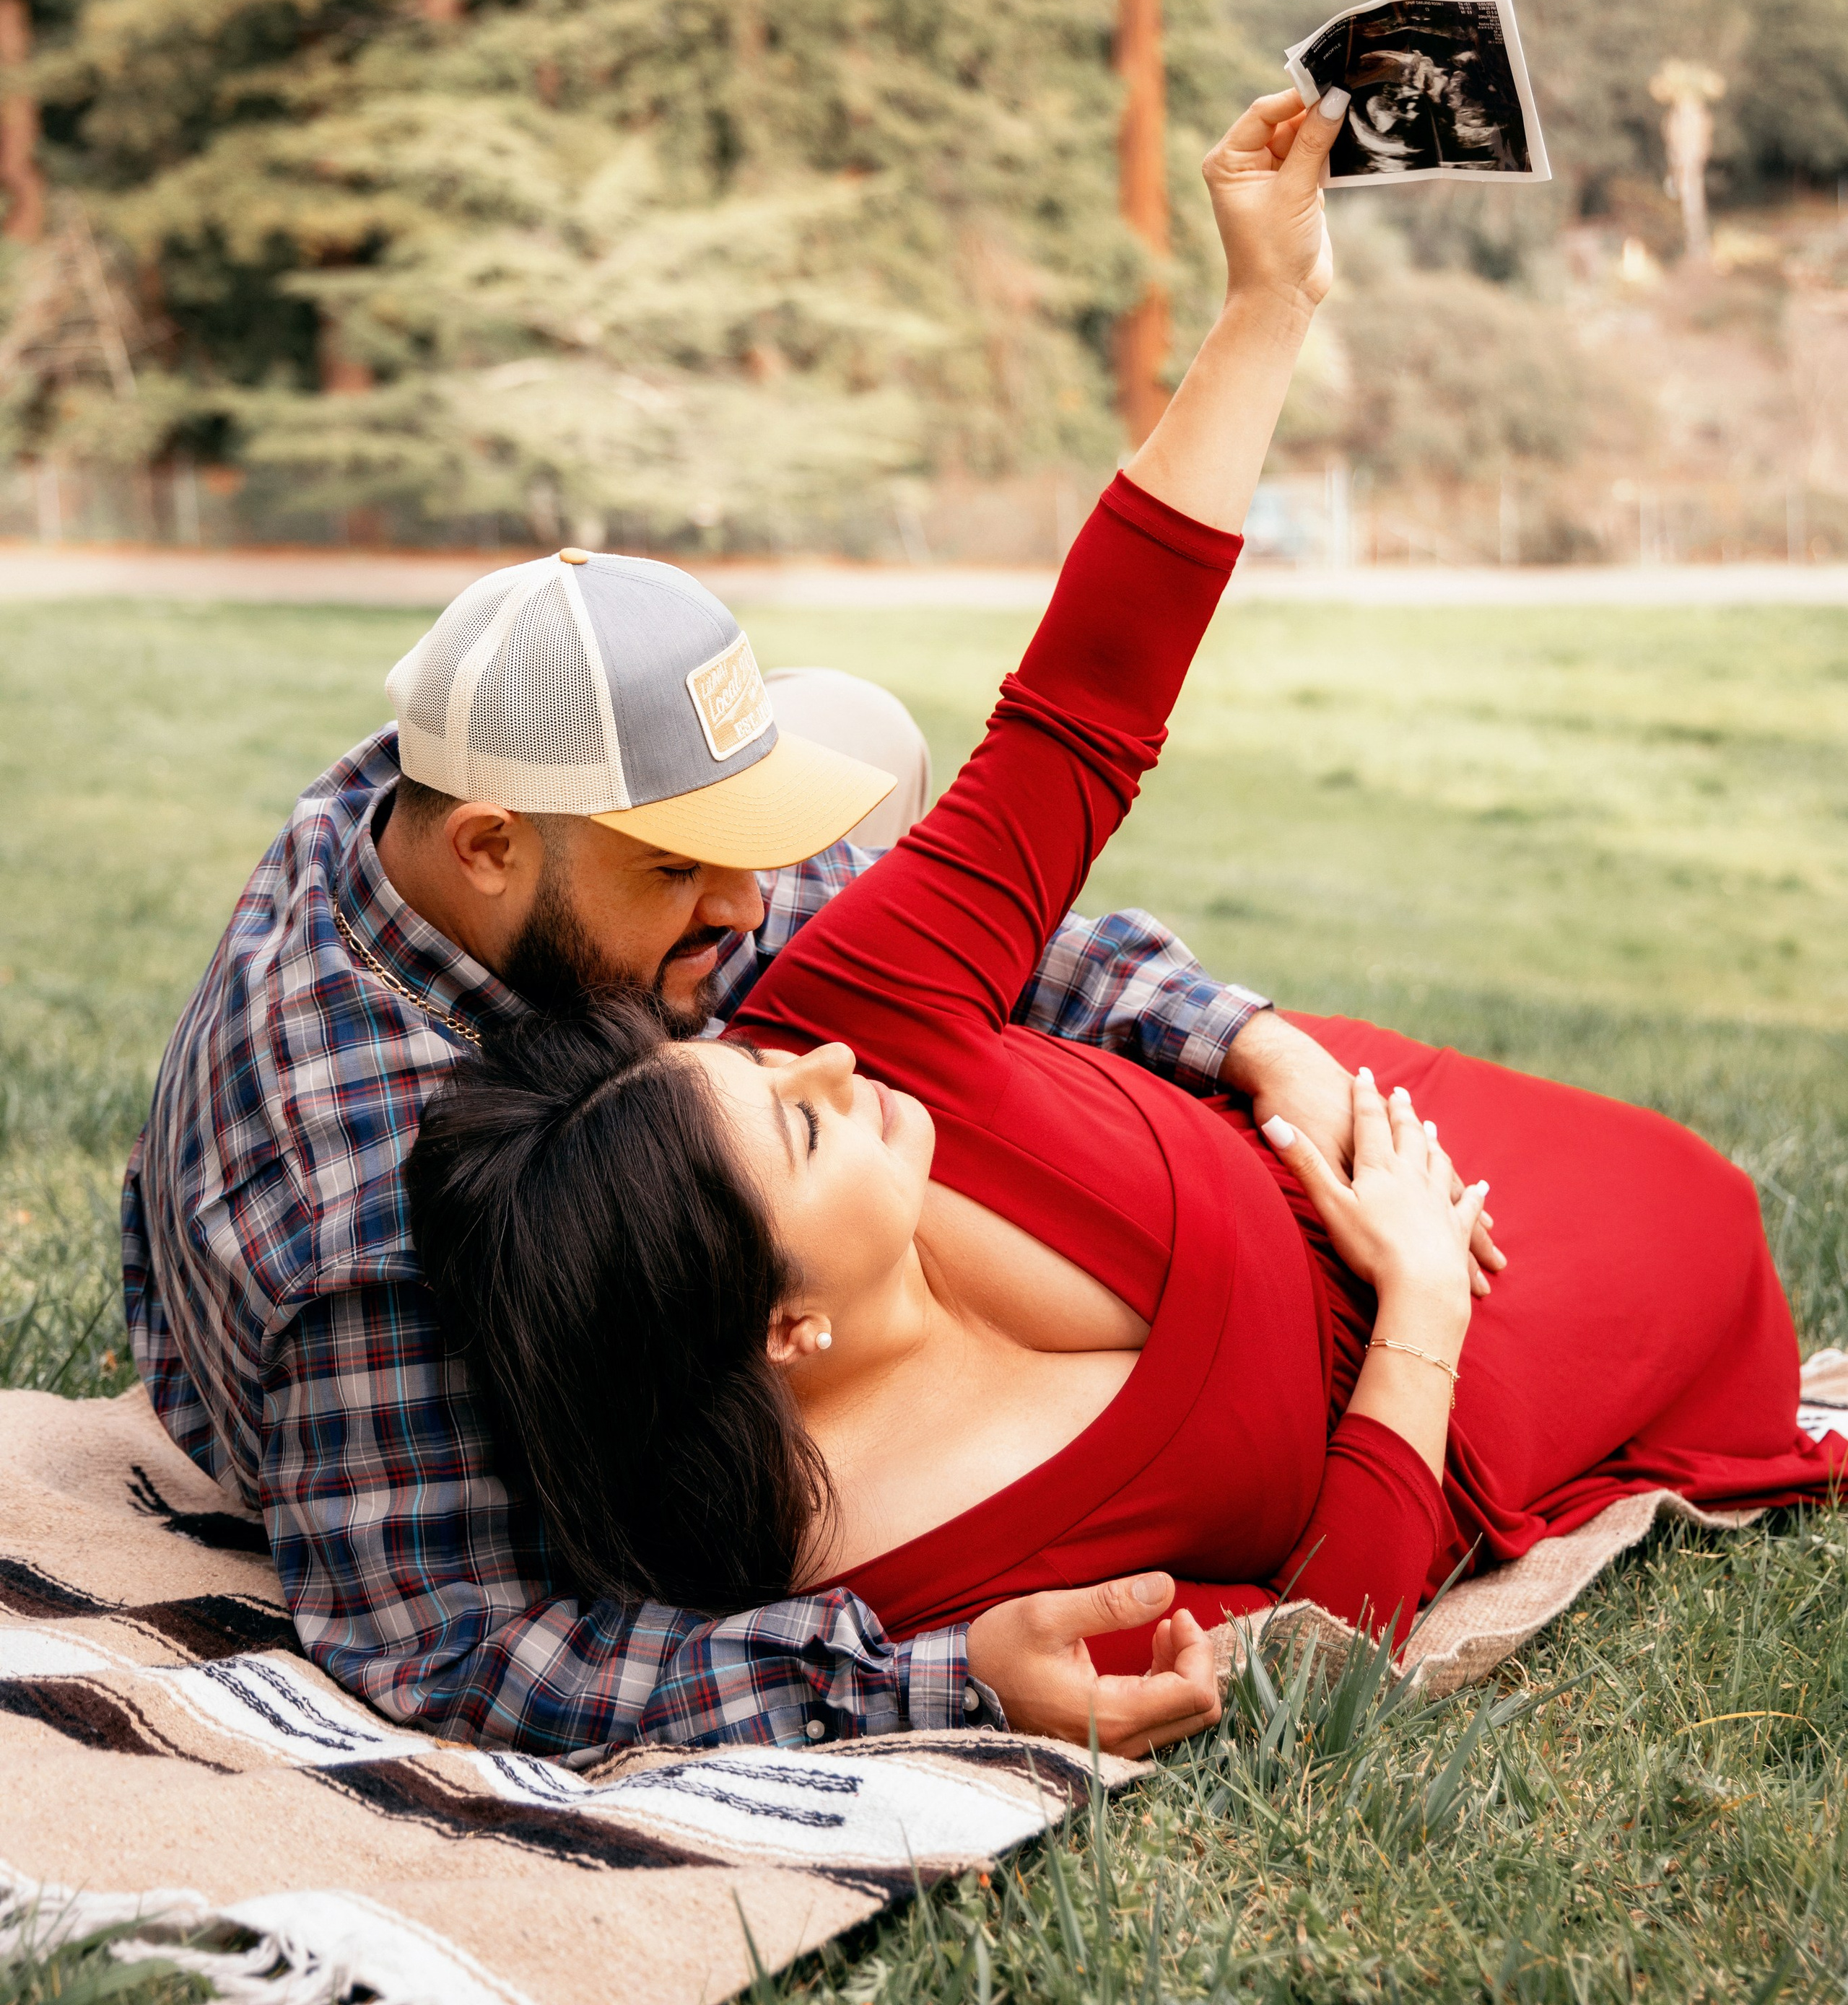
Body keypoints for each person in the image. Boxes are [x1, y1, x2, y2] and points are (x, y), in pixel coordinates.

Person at [409, 82, 1845, 1722]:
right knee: (1719, 1250)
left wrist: (1266, 304)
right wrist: (1422, 1313)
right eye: (796, 1125)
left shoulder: (846, 1015)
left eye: (769, 1067)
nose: (813, 1066)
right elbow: (1313, 1643)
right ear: (785, 1328)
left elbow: (1081, 706)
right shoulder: (916, 1595)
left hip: (1381, 1144)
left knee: (1689, 1191)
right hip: (1444, 1374)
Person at [128, 249, 1432, 1759]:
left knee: (857, 746)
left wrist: (1235, 1029)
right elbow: (468, 1651)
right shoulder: (360, 1233)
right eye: (689, 865)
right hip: (386, 1399)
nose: (752, 907)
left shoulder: (455, 811)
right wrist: (934, 1682)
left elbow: (870, 911)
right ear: (485, 842)